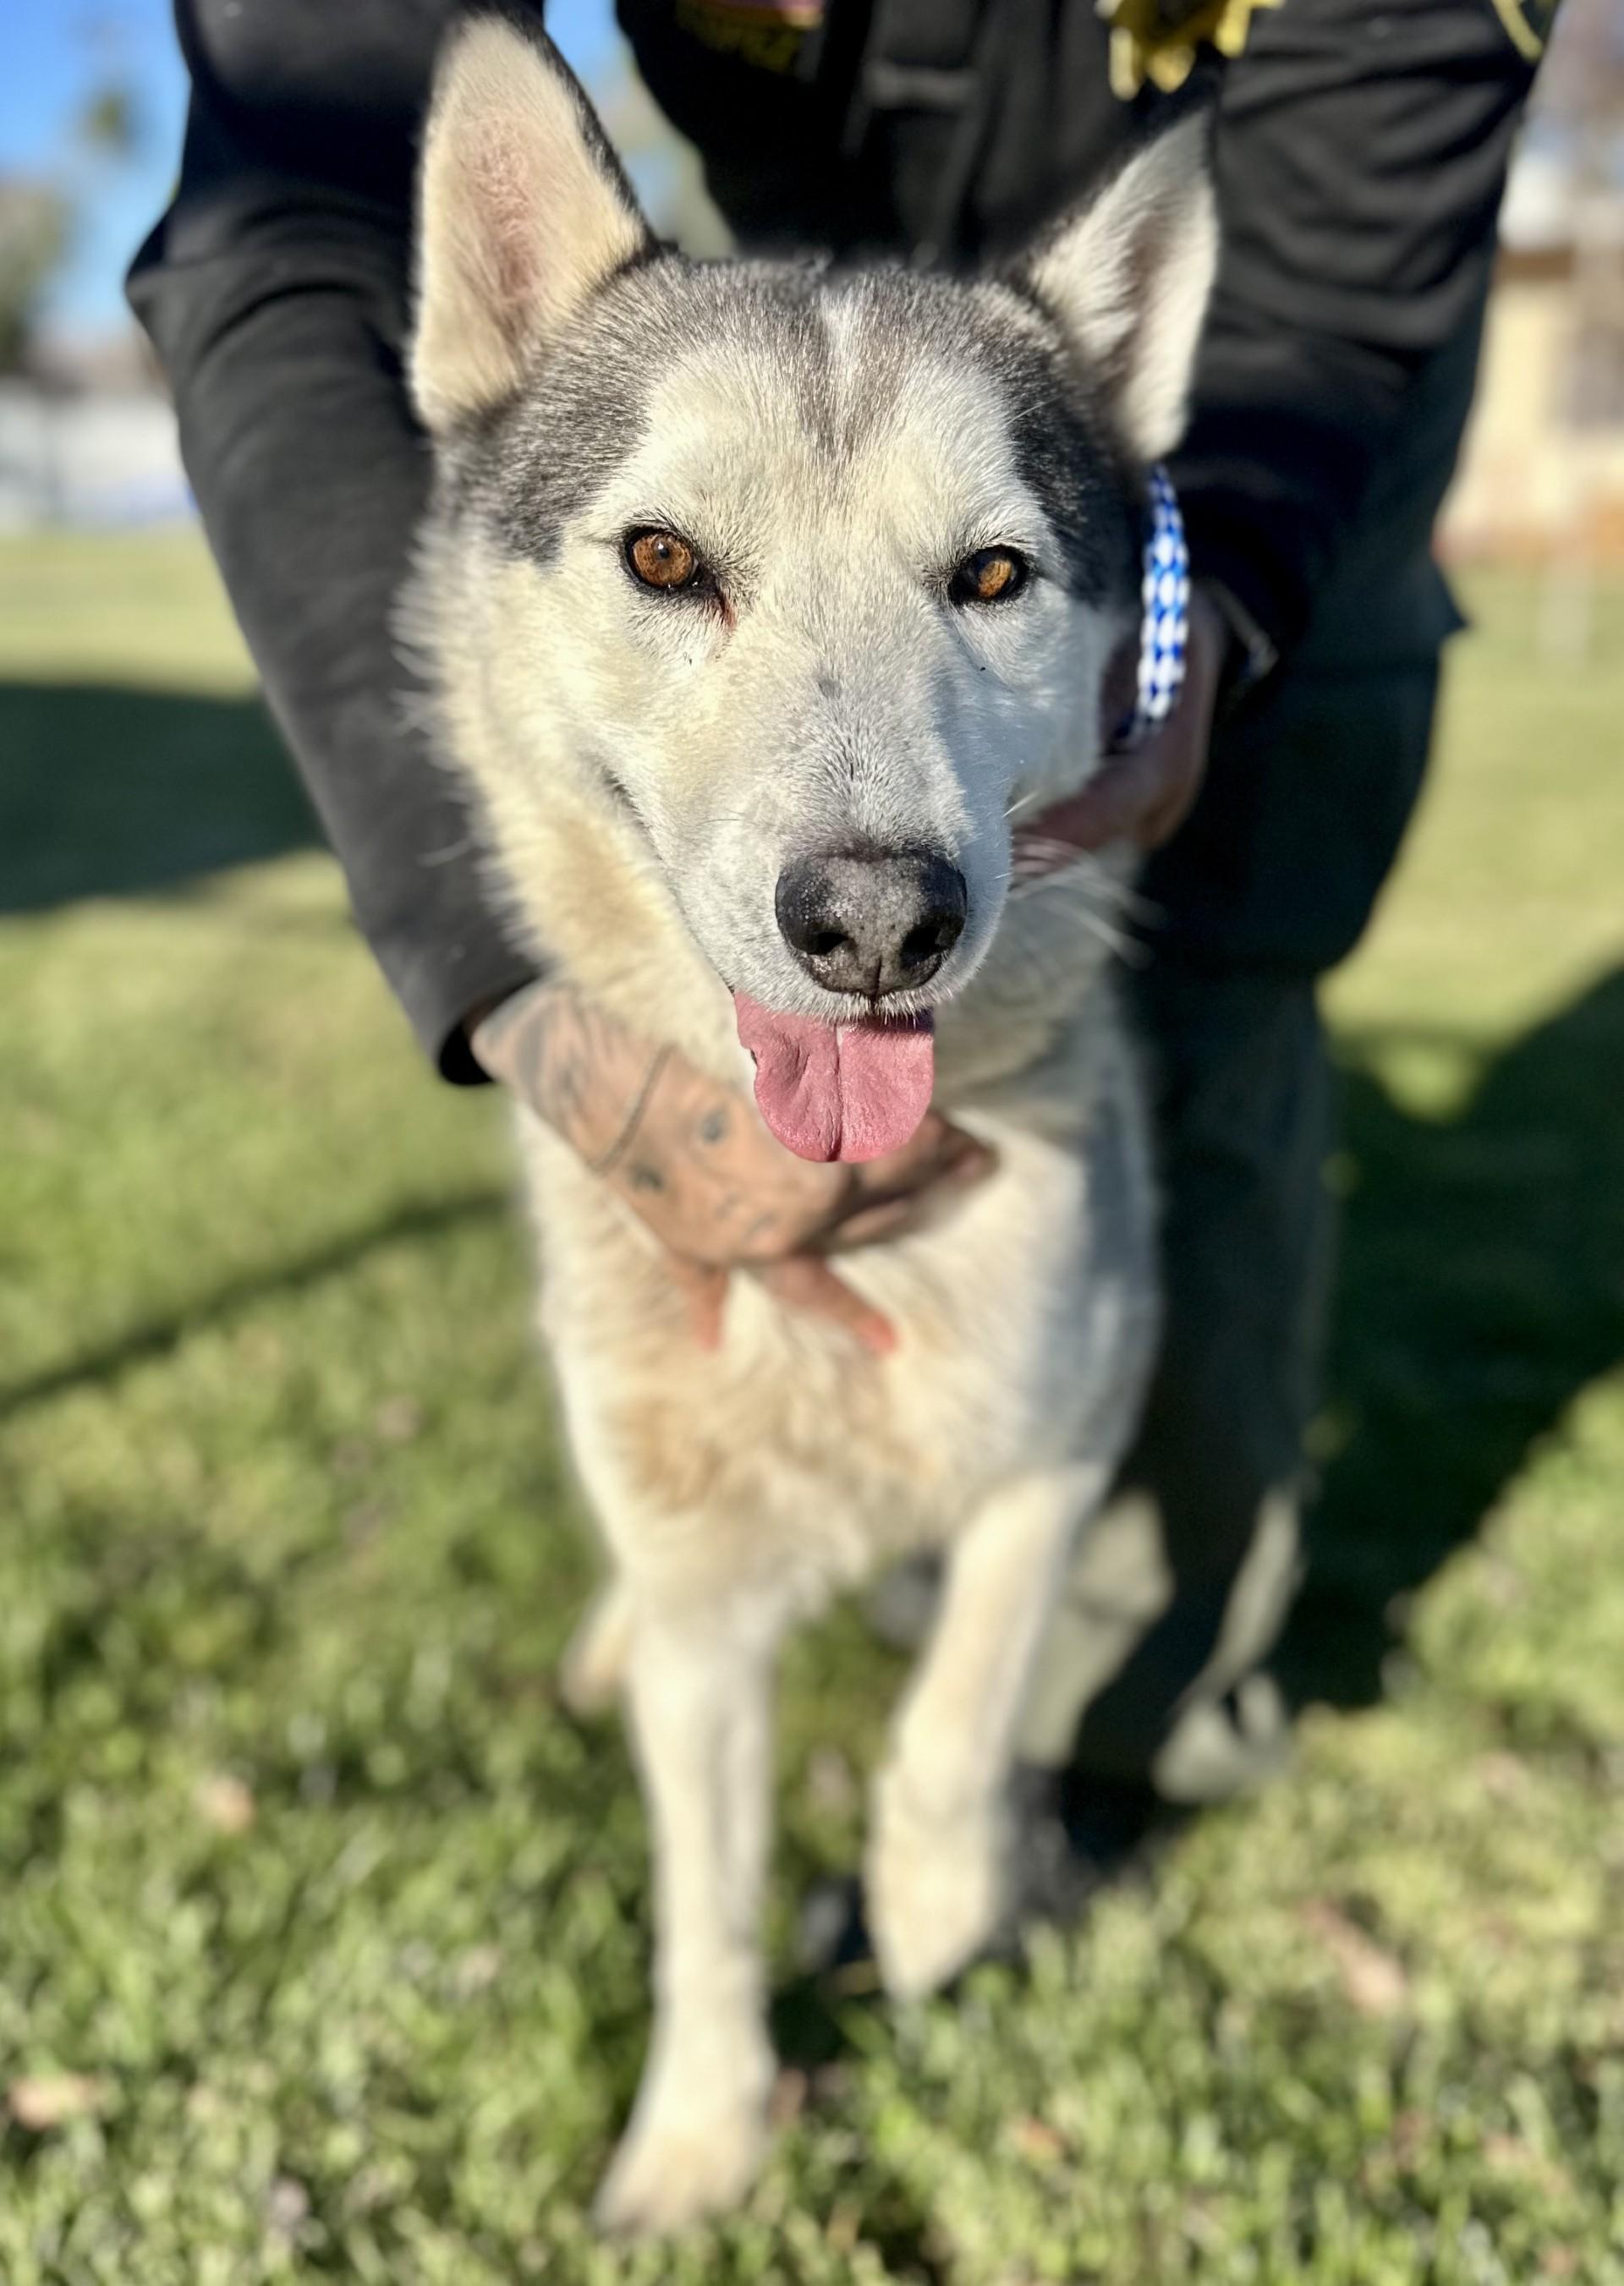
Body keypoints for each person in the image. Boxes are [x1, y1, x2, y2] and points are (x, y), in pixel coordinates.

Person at [129, 0, 1548, 1858]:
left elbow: (1387, 113)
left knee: (1220, 1013)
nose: (864, 888)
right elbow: (289, 223)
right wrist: (501, 976)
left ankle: (1116, 1741)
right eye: (668, 564)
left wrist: (1202, 605)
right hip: (813, 337)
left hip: (1295, 359)